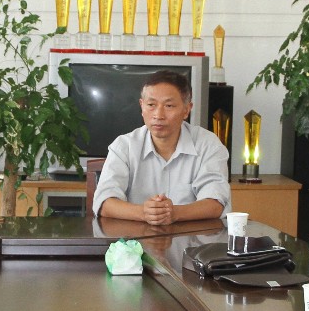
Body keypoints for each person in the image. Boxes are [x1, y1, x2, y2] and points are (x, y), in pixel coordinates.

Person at [93, 69, 229, 226]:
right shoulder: (124, 146)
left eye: (169, 105)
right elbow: (104, 202)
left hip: (193, 239)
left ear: (186, 109)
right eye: (151, 105)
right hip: (136, 239)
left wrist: (174, 213)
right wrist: (144, 213)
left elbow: (216, 203)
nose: (158, 115)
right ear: (141, 106)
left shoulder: (208, 145)